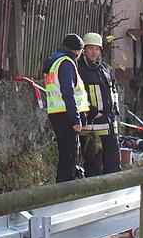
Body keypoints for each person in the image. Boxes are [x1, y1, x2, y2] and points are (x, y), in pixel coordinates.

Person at [43, 34, 90, 183]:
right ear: (77, 50)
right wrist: (76, 120)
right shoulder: (66, 63)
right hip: (66, 115)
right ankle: (65, 192)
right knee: (69, 156)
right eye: (81, 51)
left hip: (56, 113)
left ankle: (63, 189)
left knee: (65, 155)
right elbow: (68, 92)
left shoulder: (54, 62)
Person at [78, 32, 121, 177]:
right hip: (91, 127)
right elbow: (77, 95)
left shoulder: (104, 69)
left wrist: (115, 111)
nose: (94, 52)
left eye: (97, 49)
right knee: (93, 166)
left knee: (113, 164)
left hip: (108, 125)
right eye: (90, 48)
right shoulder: (79, 69)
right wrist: (92, 112)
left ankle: (114, 197)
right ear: (84, 49)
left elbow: (113, 90)